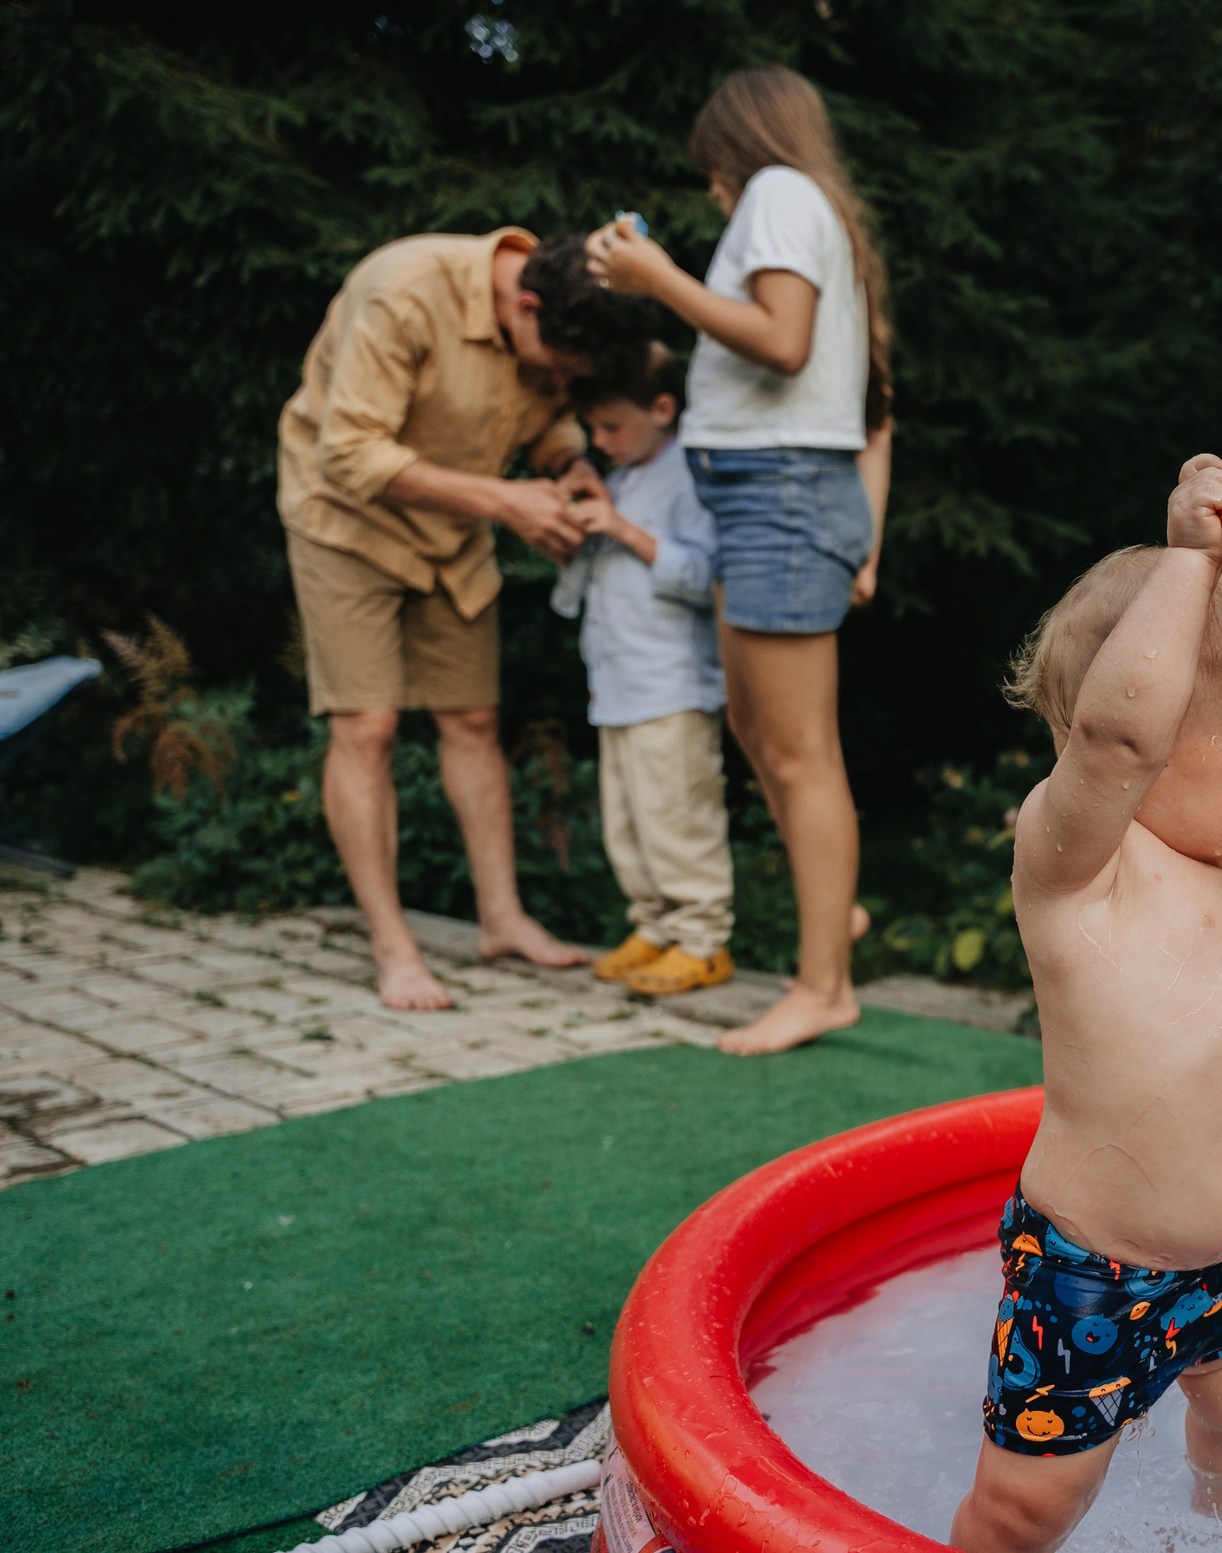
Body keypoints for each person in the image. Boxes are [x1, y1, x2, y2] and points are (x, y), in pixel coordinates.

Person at [945, 457, 1222, 1553]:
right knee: (1033, 1502)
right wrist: (1191, 560)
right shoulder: (1079, 870)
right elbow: (1116, 740)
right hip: (1095, 1273)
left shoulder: (1214, 873)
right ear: (1149, 740)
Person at [584, 66, 893, 1055]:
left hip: (780, 494)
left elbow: (783, 343)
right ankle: (827, 908)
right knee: (762, 732)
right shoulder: (804, 205)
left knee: (799, 752)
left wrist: (656, 277)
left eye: (709, 173)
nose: (713, 193)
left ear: (732, 147)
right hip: (756, 494)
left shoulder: (777, 194)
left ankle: (823, 987)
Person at [279, 229, 657, 1011]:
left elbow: (547, 411)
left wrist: (567, 465)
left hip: (449, 532)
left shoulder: (557, 311)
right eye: (553, 366)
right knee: (368, 727)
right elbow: (346, 454)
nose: (556, 381)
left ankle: (502, 919)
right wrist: (505, 501)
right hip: (346, 525)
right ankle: (393, 946)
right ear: (525, 307)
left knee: (475, 718)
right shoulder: (403, 291)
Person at [551, 342, 735, 995]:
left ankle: (702, 936)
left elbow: (708, 573)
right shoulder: (621, 477)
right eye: (593, 430)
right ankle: (653, 924)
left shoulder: (691, 474)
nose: (599, 442)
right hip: (618, 682)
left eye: (611, 427)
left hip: (673, 682)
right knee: (627, 819)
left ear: (662, 408)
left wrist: (624, 531)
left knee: (677, 812)